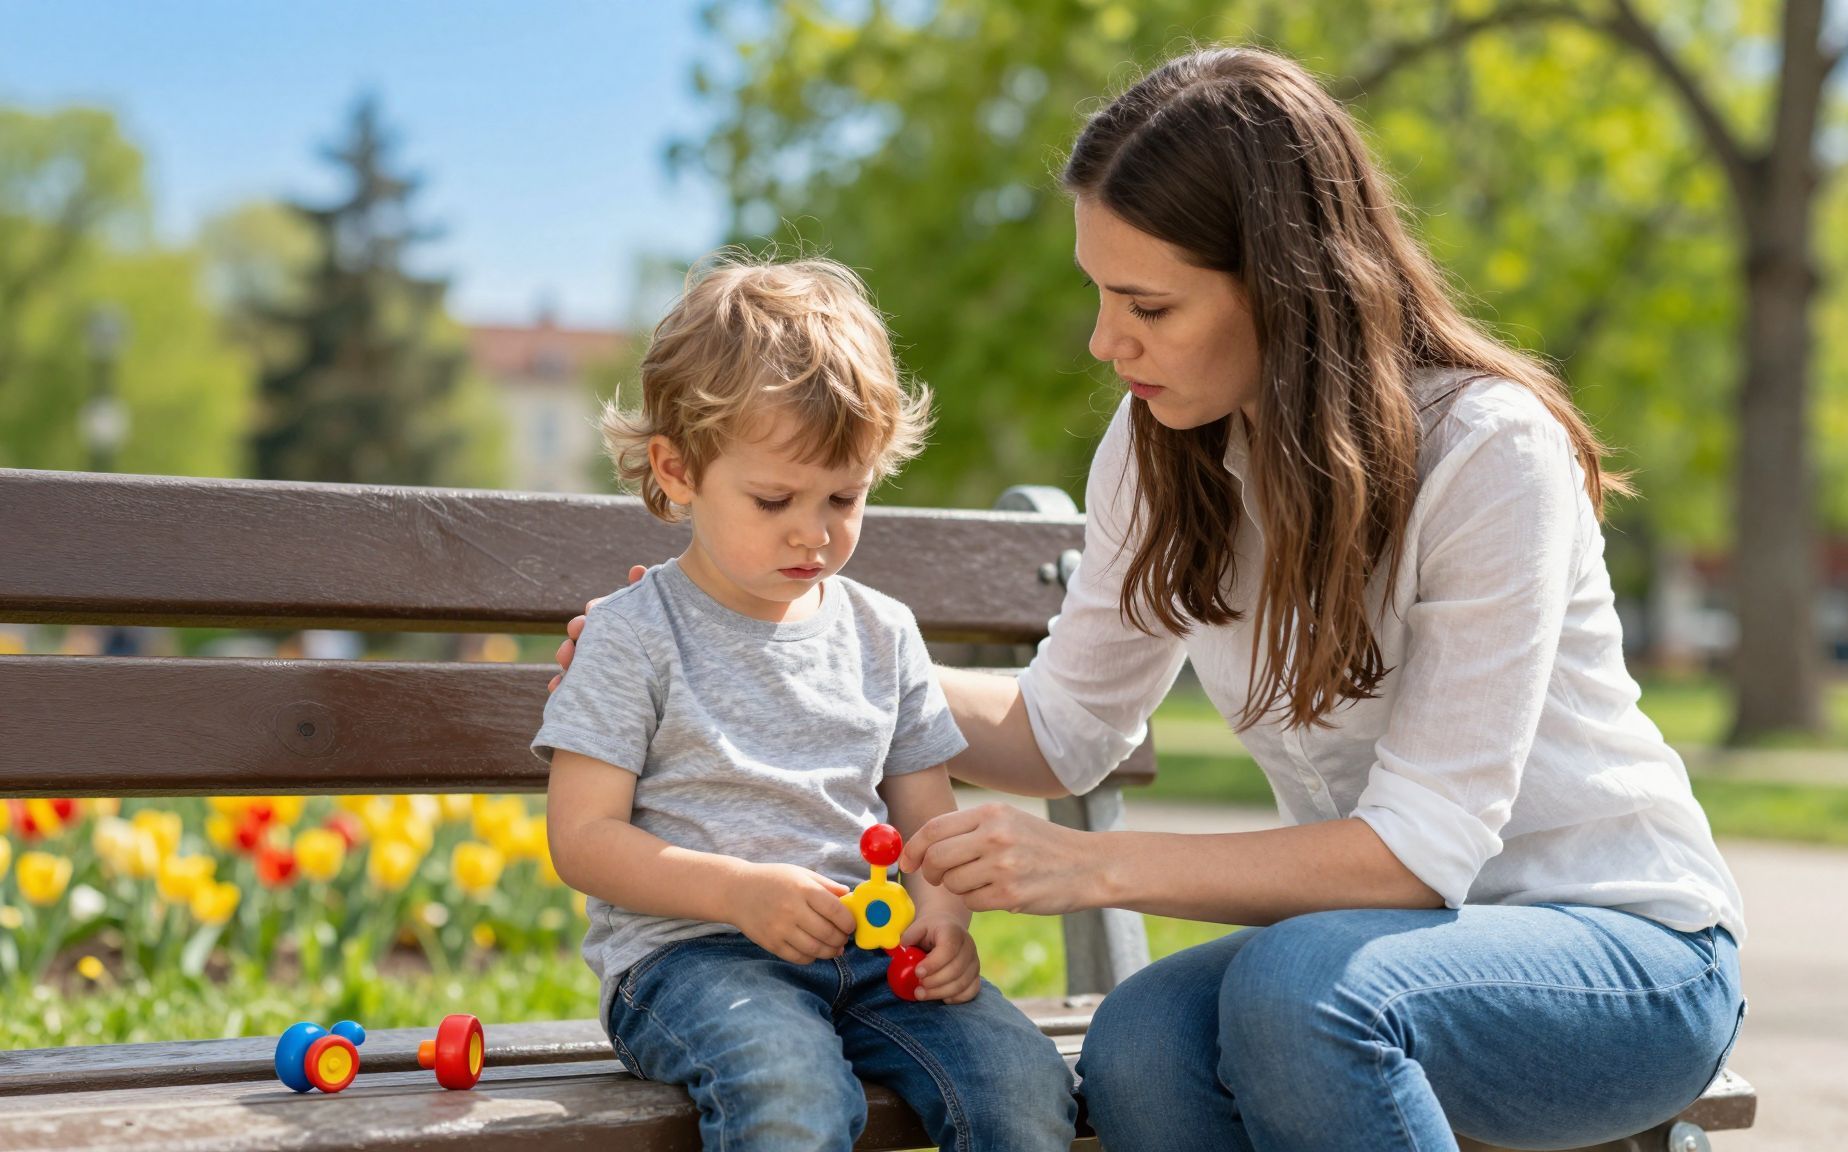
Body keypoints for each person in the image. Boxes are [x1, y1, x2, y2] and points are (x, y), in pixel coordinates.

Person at [559, 47, 1745, 1152]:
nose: (1102, 341)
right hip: (1372, 954)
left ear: (1282, 288)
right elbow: (1060, 730)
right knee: (1138, 1048)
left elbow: (1415, 855)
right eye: (1099, 294)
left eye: (1148, 305)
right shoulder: (1157, 446)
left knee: (1296, 996)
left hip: (1620, 956)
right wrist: (760, 653)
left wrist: (1094, 871)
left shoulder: (1488, 453)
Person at [537, 254, 1076, 1152]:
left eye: (845, 497)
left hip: (872, 958)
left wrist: (942, 918)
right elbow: (581, 839)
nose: (813, 531)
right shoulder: (633, 633)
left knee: (1022, 1084)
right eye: (774, 498)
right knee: (791, 1093)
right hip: (691, 960)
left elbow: (926, 828)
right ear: (676, 471)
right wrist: (741, 892)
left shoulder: (885, 631)